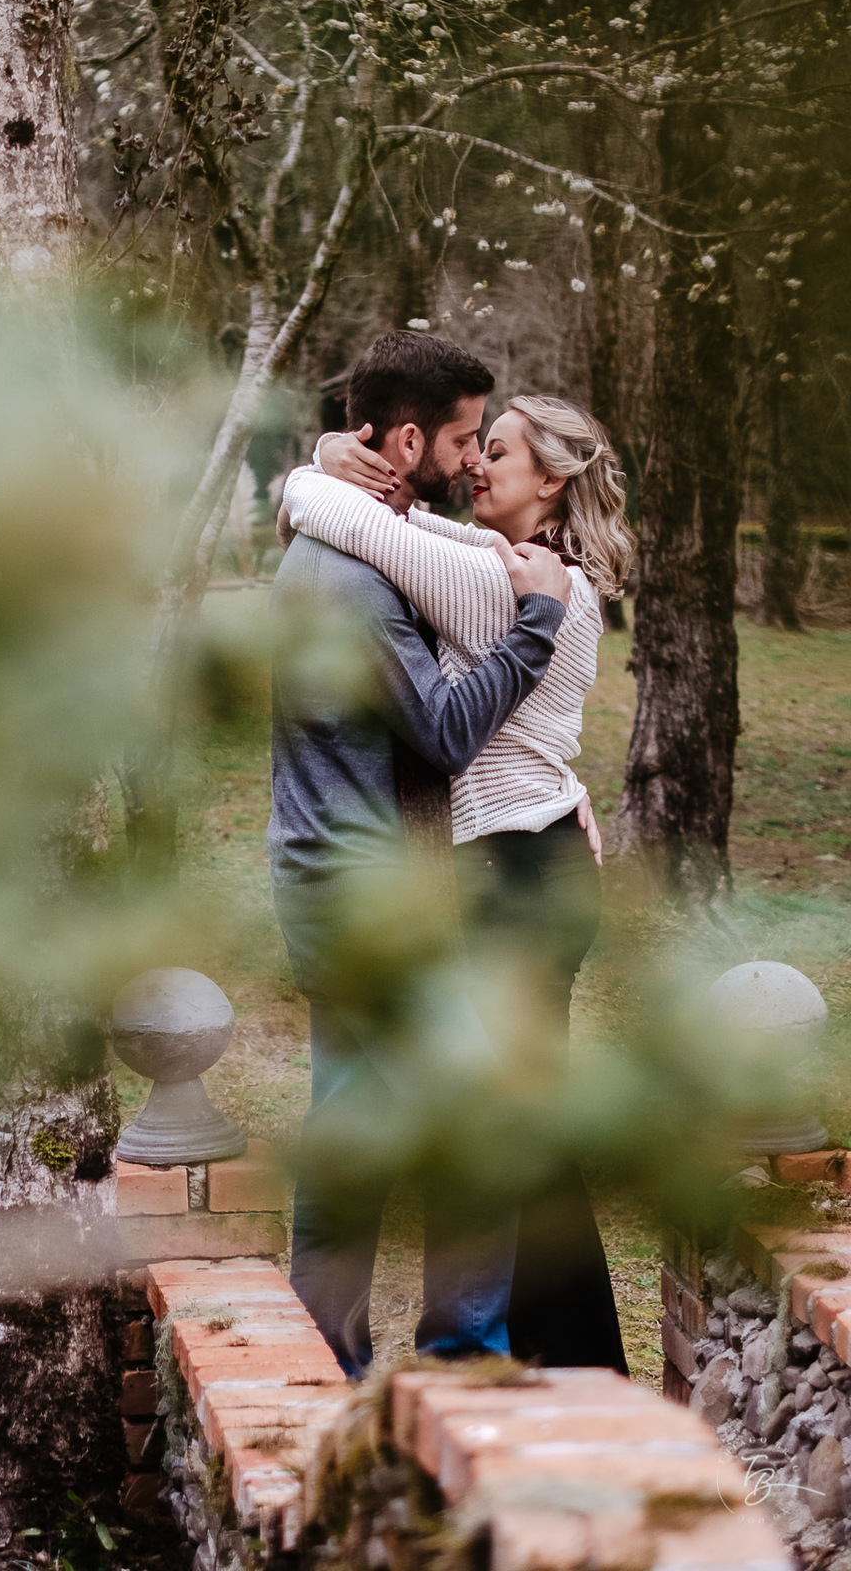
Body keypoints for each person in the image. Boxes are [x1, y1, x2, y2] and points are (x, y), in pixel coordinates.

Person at [280, 381, 638, 1376]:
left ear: (552, 483)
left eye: (501, 450)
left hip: (516, 875)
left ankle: (560, 1366)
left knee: (508, 1127)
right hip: (521, 855)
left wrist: (314, 468)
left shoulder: (508, 586)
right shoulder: (509, 564)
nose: (478, 462)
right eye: (477, 443)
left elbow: (356, 525)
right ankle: (561, 1361)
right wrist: (333, 458)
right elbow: (401, 520)